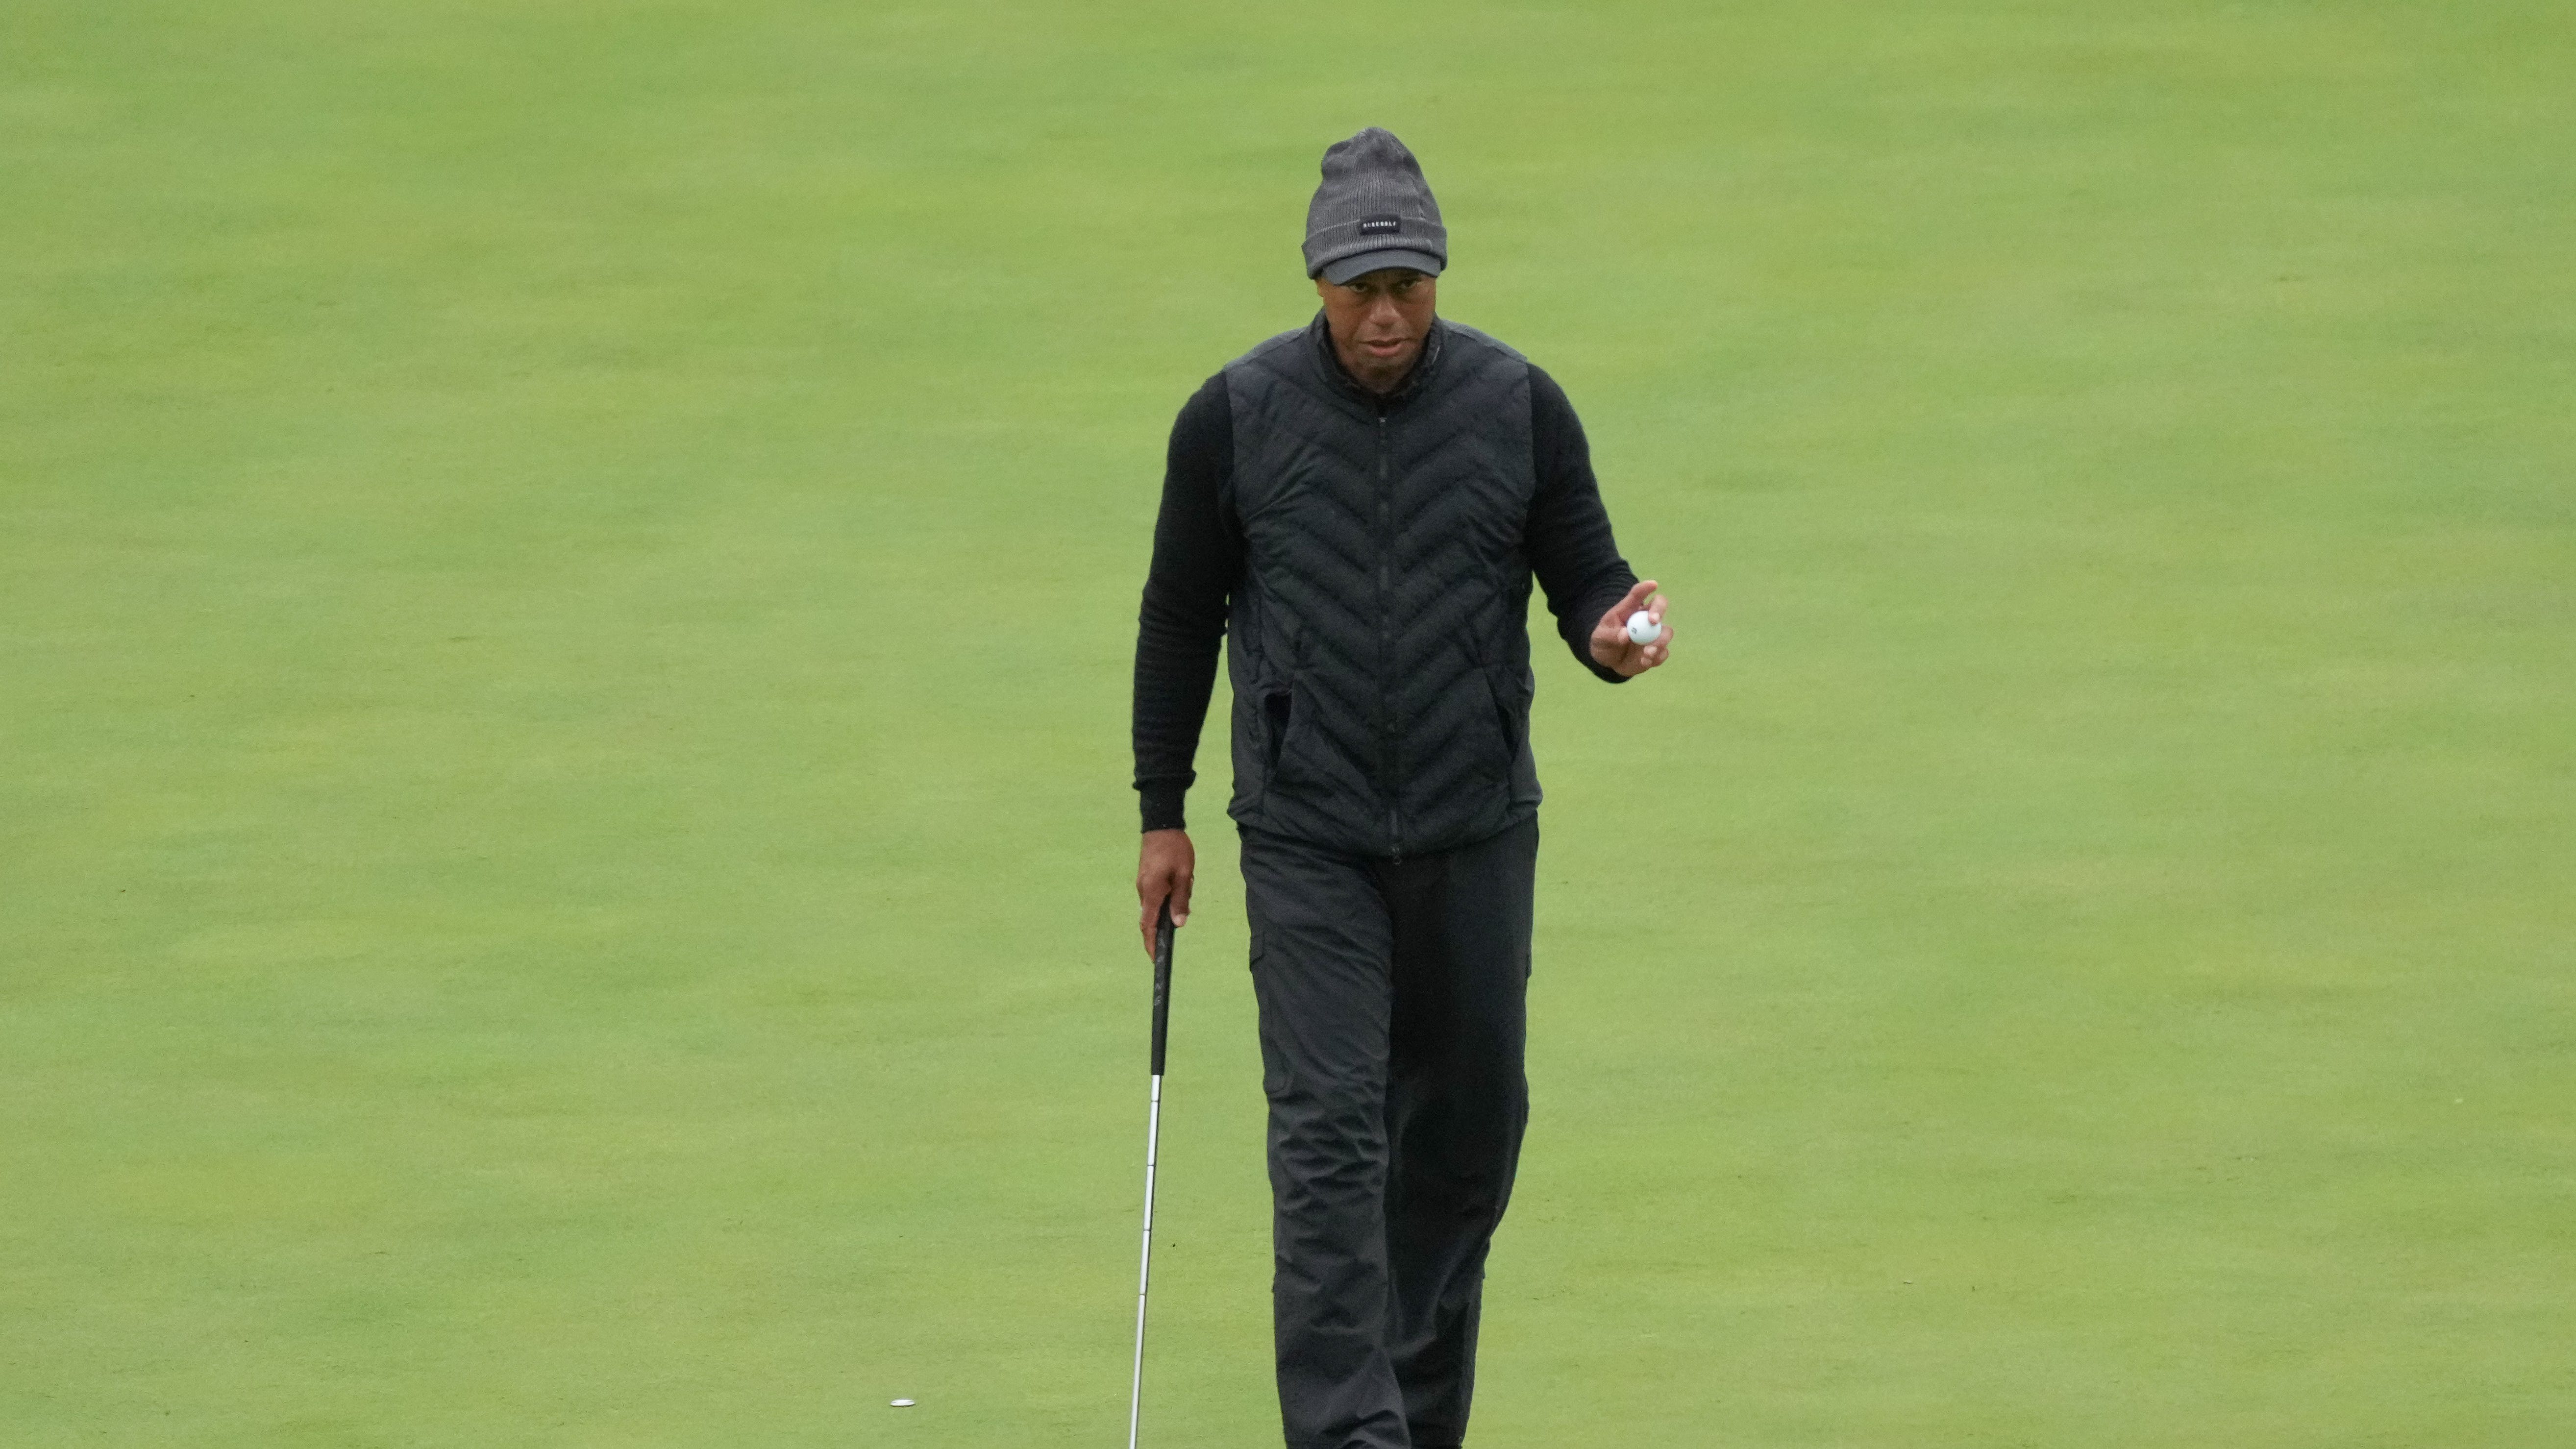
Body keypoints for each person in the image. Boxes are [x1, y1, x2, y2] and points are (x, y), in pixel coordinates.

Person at [1129, 126, 1671, 1449]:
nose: (1385, 317)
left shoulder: (1517, 405)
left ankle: (1416, 1425)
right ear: (1316, 280)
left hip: (1475, 834)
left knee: (1463, 1146)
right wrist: (1163, 809)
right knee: (1327, 1143)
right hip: (1307, 839)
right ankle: (1346, 1437)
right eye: (1360, 289)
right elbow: (1179, 615)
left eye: (1409, 288)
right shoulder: (1235, 419)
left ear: (1438, 277)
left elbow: (1585, 575)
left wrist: (1612, 634)